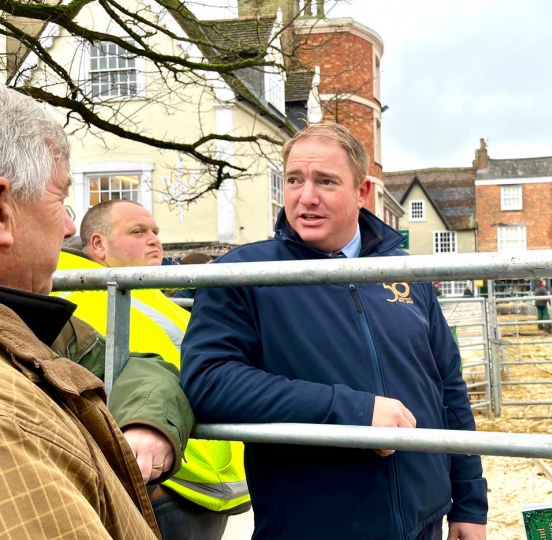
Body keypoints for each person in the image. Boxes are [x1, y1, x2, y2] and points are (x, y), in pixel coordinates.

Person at [181, 123, 488, 540]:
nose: (306, 197)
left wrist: (470, 504)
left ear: (362, 193)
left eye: (325, 181)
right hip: (313, 527)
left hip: (423, 522)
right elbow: (209, 381)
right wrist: (354, 414)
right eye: (294, 180)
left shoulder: (407, 271)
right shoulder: (244, 275)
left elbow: (448, 387)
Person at [0, 84, 162, 538]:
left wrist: (151, 421)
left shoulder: (38, 313)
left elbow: (140, 366)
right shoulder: (14, 424)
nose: (69, 224)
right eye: (60, 199)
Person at [59, 199, 250, 540]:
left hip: (198, 485)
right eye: (138, 231)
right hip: (163, 483)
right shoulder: (76, 293)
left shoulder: (152, 297)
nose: (154, 240)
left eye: (156, 232)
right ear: (98, 244)